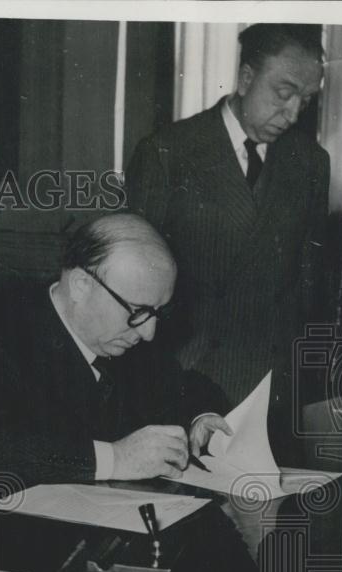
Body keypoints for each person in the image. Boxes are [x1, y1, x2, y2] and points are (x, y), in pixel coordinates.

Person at [125, 24, 330, 458]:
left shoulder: (311, 163)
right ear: (245, 78)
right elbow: (136, 283)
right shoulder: (168, 151)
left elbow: (308, 288)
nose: (293, 113)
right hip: (189, 390)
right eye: (284, 92)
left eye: (306, 100)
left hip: (273, 395)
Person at [0, 214, 232, 485]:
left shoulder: (123, 338)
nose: (148, 333)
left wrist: (201, 418)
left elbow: (183, 387)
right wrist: (115, 459)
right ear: (80, 285)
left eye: (159, 312)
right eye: (138, 311)